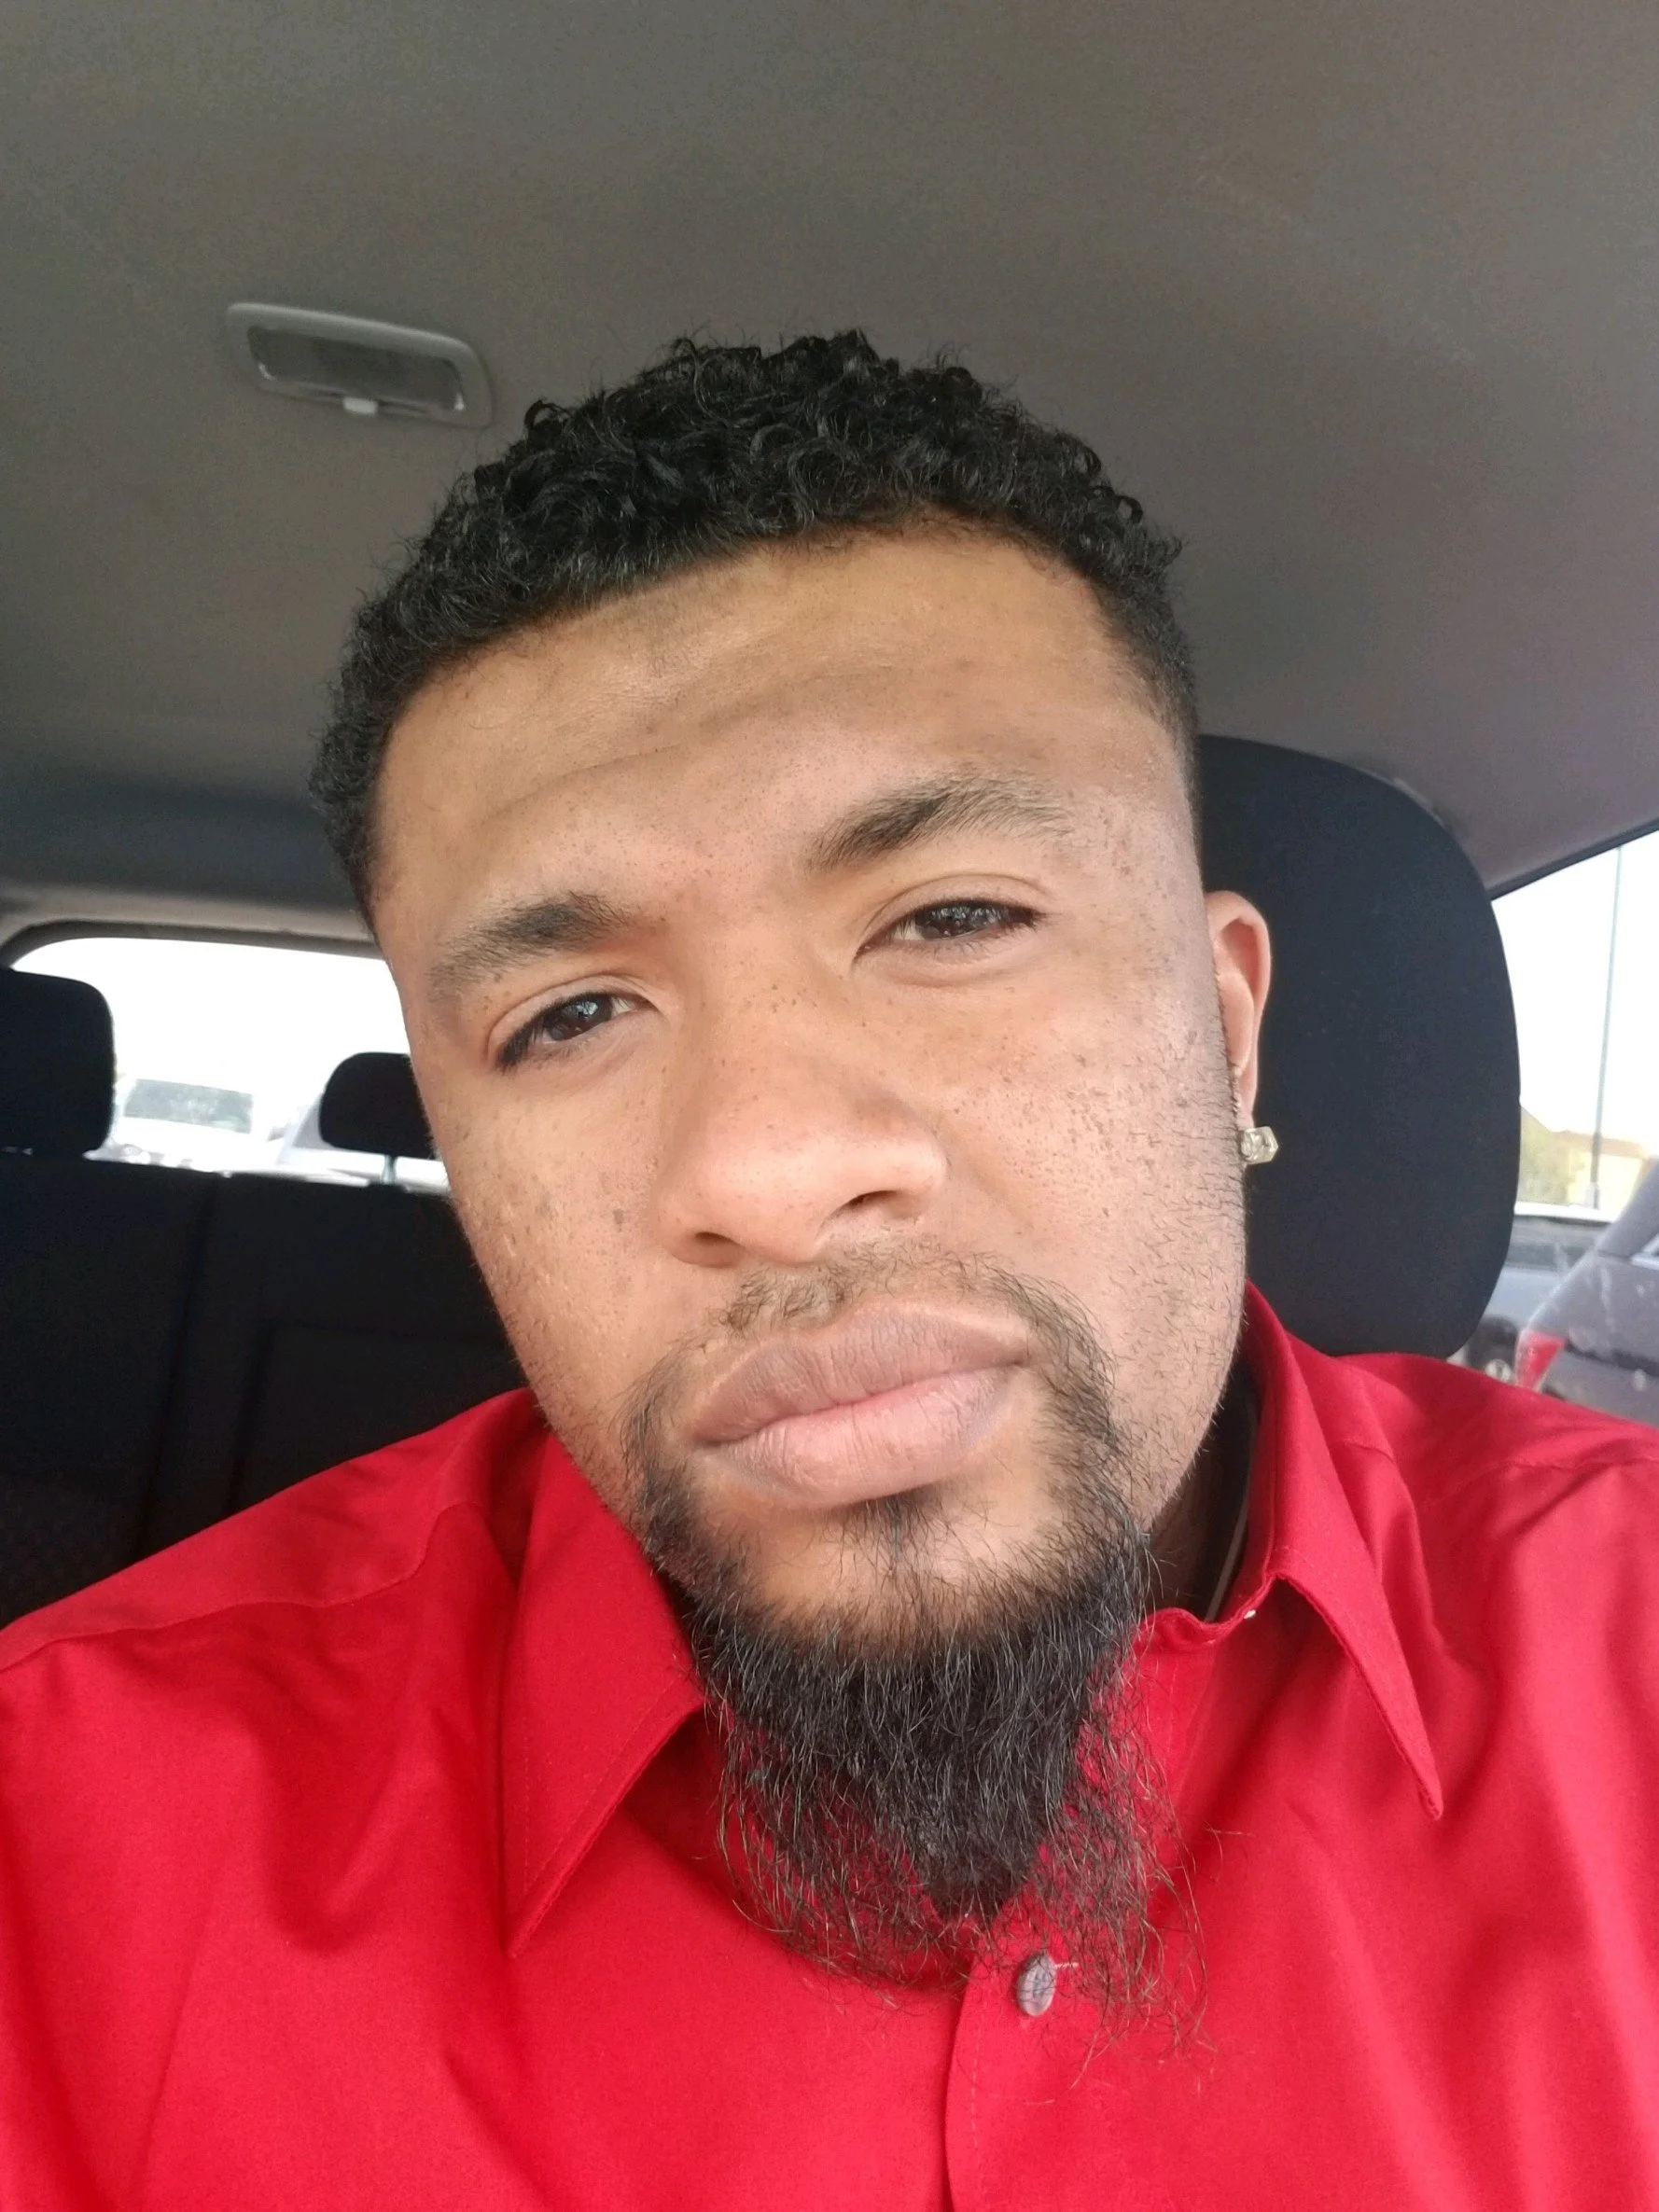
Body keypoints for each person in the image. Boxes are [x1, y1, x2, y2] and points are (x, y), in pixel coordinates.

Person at [3, 334, 1656, 2210]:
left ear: (1223, 1028)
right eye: (567, 1017)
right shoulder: (60, 1852)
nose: (766, 1174)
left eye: (952, 918)